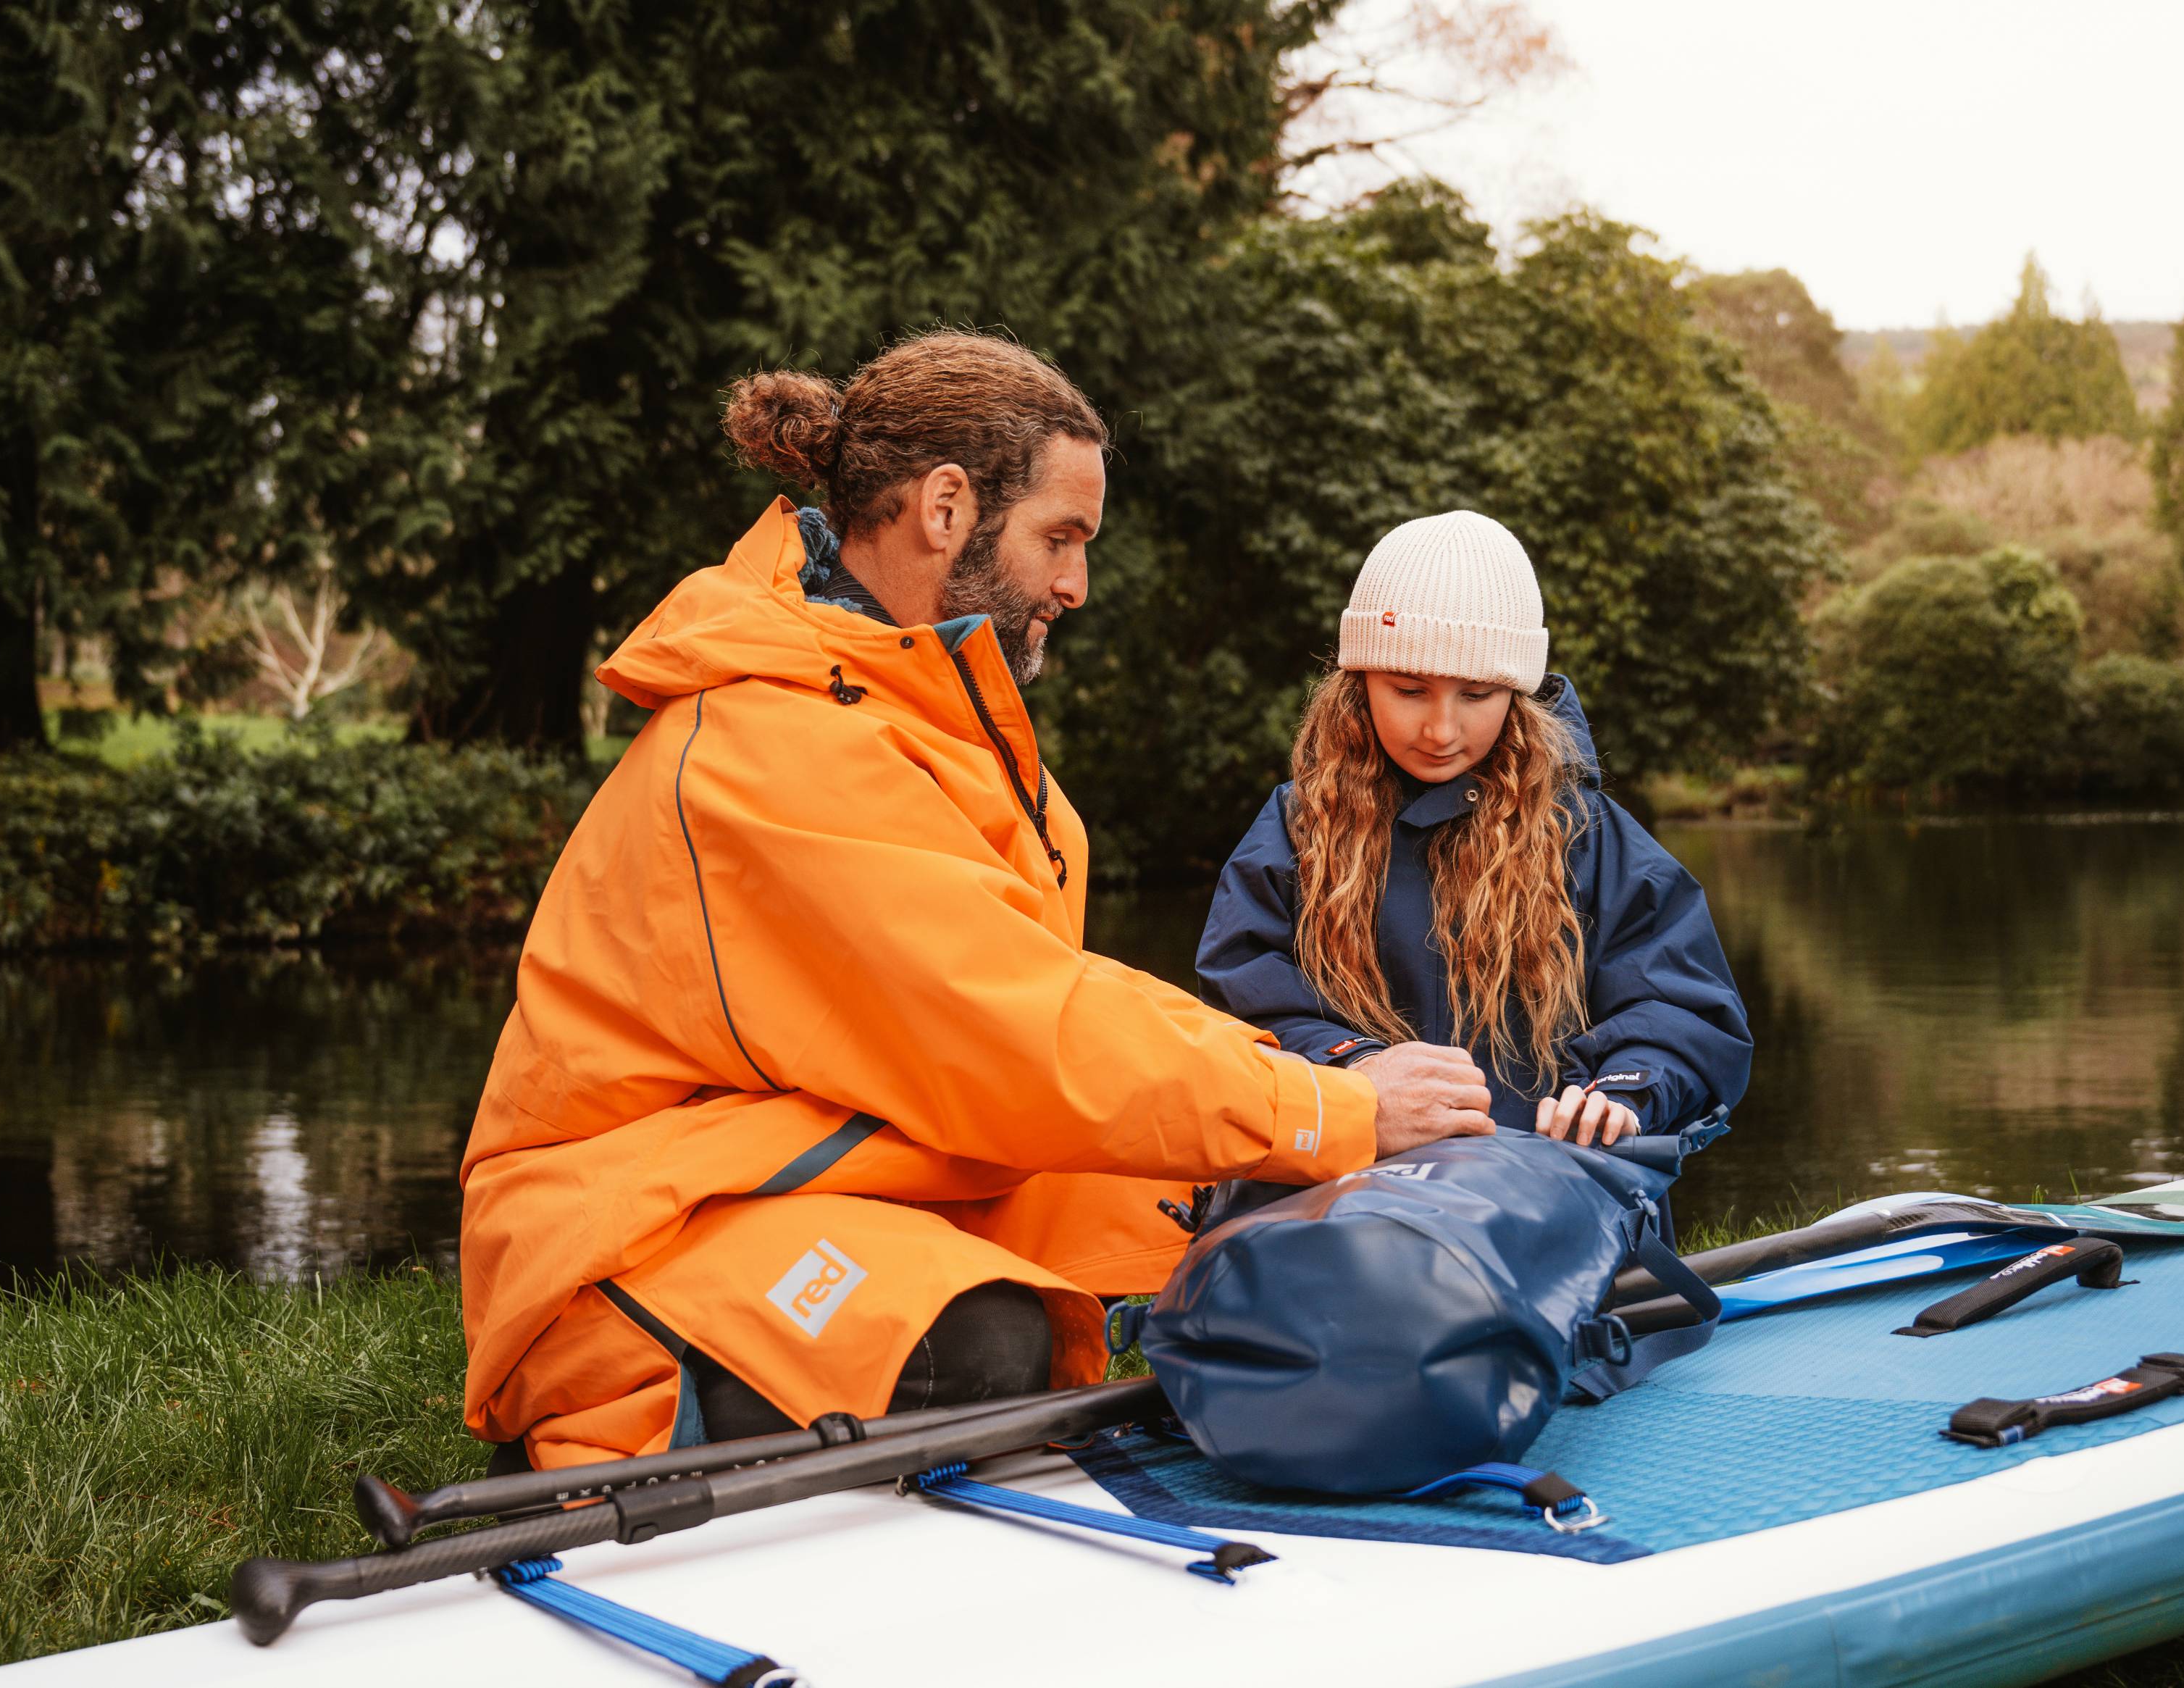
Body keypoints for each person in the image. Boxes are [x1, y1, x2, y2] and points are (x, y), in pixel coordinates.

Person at [459, 332, 1495, 1471]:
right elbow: (1014, 1030)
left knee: (1218, 1219)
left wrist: (1314, 1094)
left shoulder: (924, 716)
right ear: (945, 507)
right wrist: (1328, 1111)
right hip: (632, 1230)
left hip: (819, 1165)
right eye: (1060, 537)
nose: (1076, 584)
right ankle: (620, 1430)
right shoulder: (772, 742)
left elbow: (1062, 999)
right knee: (974, 1340)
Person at [1197, 510, 1752, 1157]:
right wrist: (1354, 1070)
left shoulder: (1589, 837)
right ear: (1359, 682)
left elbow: (1687, 1012)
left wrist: (1625, 1092)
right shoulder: (1297, 830)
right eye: (1409, 690)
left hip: (1550, 1201)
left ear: (1517, 693)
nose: (1440, 730)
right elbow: (1238, 1005)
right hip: (1348, 1203)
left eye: (1477, 694)